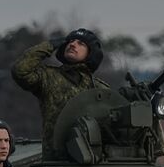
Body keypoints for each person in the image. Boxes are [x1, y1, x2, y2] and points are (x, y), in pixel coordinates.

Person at [11, 27, 108, 159]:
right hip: (56, 162)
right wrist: (49, 45)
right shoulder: (49, 77)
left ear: (90, 53)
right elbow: (20, 71)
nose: (73, 44)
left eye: (81, 43)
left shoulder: (98, 88)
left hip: (93, 161)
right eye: (71, 41)